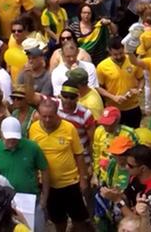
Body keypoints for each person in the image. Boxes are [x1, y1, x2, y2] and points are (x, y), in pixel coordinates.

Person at [29, 99, 91, 232]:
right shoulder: (34, 128)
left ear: (57, 114)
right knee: (58, 220)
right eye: (43, 116)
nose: (46, 119)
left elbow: (78, 154)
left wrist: (83, 179)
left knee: (79, 219)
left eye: (50, 116)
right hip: (48, 185)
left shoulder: (68, 128)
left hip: (70, 183)